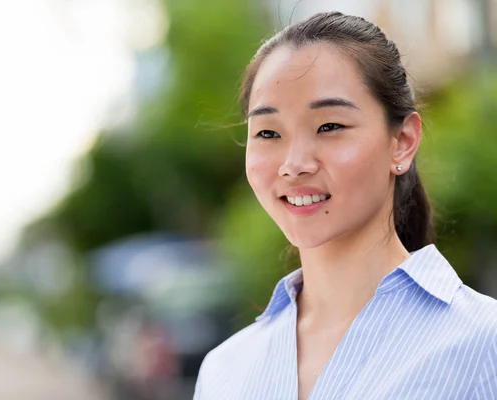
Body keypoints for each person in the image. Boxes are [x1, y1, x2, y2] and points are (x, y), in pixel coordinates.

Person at [193, 11, 497, 400]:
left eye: (330, 126)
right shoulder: (225, 370)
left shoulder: (481, 345)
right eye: (268, 132)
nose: (295, 164)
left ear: (402, 140)